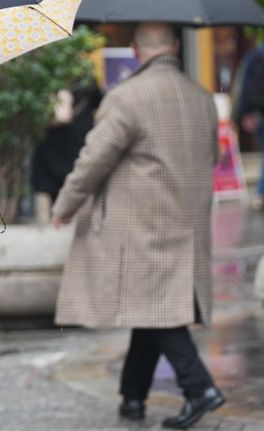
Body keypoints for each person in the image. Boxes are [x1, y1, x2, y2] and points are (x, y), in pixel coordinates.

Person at [51, 23, 223, 429]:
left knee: (158, 310)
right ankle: (132, 399)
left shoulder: (126, 97)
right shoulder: (202, 98)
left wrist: (65, 206)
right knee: (153, 305)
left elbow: (94, 160)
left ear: (134, 49)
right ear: (176, 47)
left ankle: (200, 389)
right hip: (189, 220)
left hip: (144, 223)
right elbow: (212, 156)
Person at [31, 82, 102, 223]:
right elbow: (99, 107)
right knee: (76, 183)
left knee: (46, 189)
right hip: (76, 146)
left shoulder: (42, 80)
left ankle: (46, 227)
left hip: (51, 148)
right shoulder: (86, 81)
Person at [234, 42, 264, 209]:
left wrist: (245, 113)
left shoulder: (255, 55)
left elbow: (245, 87)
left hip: (259, 112)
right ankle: (260, 191)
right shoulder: (256, 56)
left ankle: (260, 193)